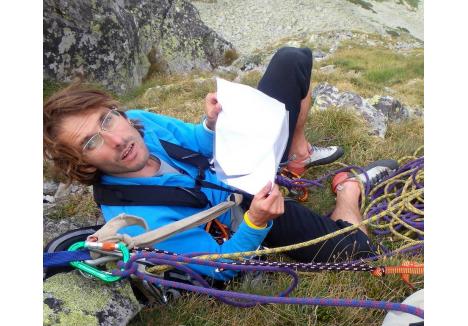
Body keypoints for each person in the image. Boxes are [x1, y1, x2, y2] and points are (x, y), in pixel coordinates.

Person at [43, 47, 397, 282]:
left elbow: (197, 144)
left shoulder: (139, 123)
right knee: (363, 256)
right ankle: (348, 190)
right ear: (82, 164)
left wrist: (211, 125)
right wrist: (257, 221)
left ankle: (296, 156)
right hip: (246, 213)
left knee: (293, 60)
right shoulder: (138, 220)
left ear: (117, 112)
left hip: (238, 164)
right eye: (91, 143)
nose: (117, 140)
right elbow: (218, 266)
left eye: (107, 120)